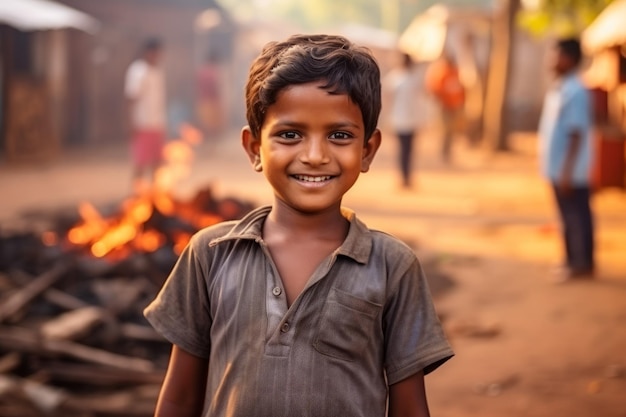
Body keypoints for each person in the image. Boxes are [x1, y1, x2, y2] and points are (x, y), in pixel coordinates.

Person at [143, 34, 453, 417]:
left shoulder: (391, 266)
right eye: (290, 135)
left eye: (339, 136)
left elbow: (409, 408)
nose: (315, 156)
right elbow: (179, 399)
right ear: (255, 149)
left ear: (367, 150)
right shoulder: (210, 255)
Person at [538, 37, 595, 282]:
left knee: (577, 215)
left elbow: (575, 132)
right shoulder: (560, 88)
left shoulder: (576, 91)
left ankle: (582, 262)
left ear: (568, 59)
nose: (551, 60)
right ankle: (572, 259)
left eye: (556, 55)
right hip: (558, 167)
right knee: (566, 216)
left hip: (570, 170)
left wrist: (566, 170)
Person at [124, 37, 167, 189]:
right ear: (147, 52)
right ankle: (137, 195)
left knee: (157, 163)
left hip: (157, 123)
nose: (157, 56)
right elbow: (131, 98)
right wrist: (131, 122)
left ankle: (155, 195)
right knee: (140, 162)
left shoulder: (157, 71)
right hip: (142, 123)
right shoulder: (138, 71)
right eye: (154, 53)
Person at [384, 52, 427, 188]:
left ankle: (407, 176)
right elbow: (388, 97)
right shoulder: (395, 77)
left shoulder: (414, 77)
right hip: (399, 118)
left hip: (411, 119)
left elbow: (421, 97)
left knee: (409, 149)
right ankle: (403, 177)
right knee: (403, 149)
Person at [425, 52, 465, 163]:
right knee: (446, 129)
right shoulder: (441, 73)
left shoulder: (455, 72)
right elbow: (435, 89)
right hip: (445, 106)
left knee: (452, 130)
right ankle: (444, 151)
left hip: (455, 105)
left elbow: (460, 88)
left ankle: (448, 150)